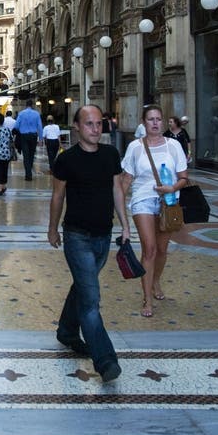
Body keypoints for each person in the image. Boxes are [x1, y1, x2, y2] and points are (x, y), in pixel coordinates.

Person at [48, 104, 130, 383]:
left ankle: (67, 332)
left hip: (103, 236)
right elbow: (57, 197)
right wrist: (52, 229)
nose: (96, 129)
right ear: (77, 127)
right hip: (76, 235)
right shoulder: (66, 159)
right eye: (89, 124)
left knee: (83, 287)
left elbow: (117, 190)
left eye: (99, 124)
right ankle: (105, 360)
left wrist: (126, 225)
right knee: (91, 300)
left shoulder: (110, 154)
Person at [121, 104, 188, 318]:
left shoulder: (174, 146)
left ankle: (156, 279)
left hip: (168, 202)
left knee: (161, 249)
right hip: (142, 200)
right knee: (149, 249)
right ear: (143, 122)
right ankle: (147, 298)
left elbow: (184, 177)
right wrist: (117, 204)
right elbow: (127, 178)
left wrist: (172, 188)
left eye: (159, 119)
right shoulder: (135, 147)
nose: (156, 123)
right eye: (151, 119)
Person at [13, 98, 43, 180]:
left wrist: (21, 129)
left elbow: (16, 126)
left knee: (26, 155)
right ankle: (29, 171)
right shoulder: (36, 114)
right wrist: (41, 139)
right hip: (33, 136)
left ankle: (28, 174)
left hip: (24, 136)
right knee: (32, 154)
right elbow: (40, 127)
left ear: (26, 105)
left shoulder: (21, 114)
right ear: (32, 105)